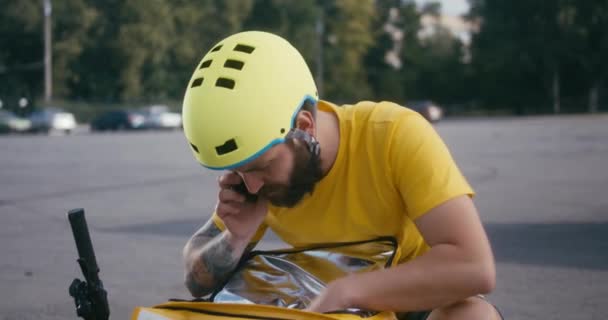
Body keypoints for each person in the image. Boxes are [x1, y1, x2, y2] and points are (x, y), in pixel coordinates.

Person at [181, 31, 502, 320]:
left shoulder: (392, 134)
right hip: (324, 309)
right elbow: (195, 277)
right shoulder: (260, 171)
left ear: (304, 128)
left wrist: (347, 291)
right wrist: (235, 238)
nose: (251, 185)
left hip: (409, 303)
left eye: (260, 167)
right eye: (237, 170)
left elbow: (474, 266)